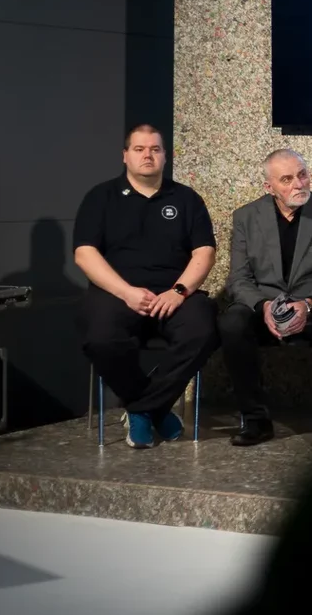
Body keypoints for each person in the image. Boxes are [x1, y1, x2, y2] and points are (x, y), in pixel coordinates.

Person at [72, 123, 218, 449]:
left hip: (173, 293)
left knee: (203, 330)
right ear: (125, 155)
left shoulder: (186, 198)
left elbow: (205, 252)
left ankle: (142, 409)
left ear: (165, 156)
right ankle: (154, 408)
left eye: (155, 149)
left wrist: (178, 292)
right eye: (139, 149)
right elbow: (84, 253)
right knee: (99, 337)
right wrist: (126, 292)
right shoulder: (101, 197)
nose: (147, 155)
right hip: (117, 293)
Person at [220, 149, 312, 451]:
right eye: (287, 179)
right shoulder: (246, 217)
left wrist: (308, 304)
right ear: (269, 187)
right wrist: (263, 306)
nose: (298, 184)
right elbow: (239, 279)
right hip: (266, 306)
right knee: (232, 322)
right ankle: (255, 418)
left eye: (302, 175)